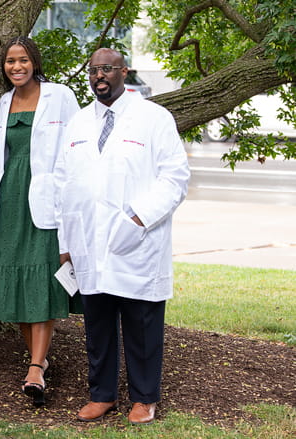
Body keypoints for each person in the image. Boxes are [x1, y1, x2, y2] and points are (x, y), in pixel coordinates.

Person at [55, 48, 190, 424]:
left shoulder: (153, 118)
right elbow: (64, 184)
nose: (100, 76)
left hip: (139, 240)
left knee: (141, 321)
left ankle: (144, 398)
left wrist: (137, 218)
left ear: (124, 72)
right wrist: (66, 244)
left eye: (108, 69)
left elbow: (175, 177)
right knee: (97, 323)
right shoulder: (79, 123)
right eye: (94, 69)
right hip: (89, 242)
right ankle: (102, 395)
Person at [0, 37, 82, 405]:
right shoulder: (2, 101)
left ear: (34, 61)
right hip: (10, 198)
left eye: (23, 60)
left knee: (43, 278)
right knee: (15, 277)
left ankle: (35, 366)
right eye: (10, 61)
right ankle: (38, 362)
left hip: (47, 198)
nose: (16, 67)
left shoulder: (59, 95)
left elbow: (77, 146)